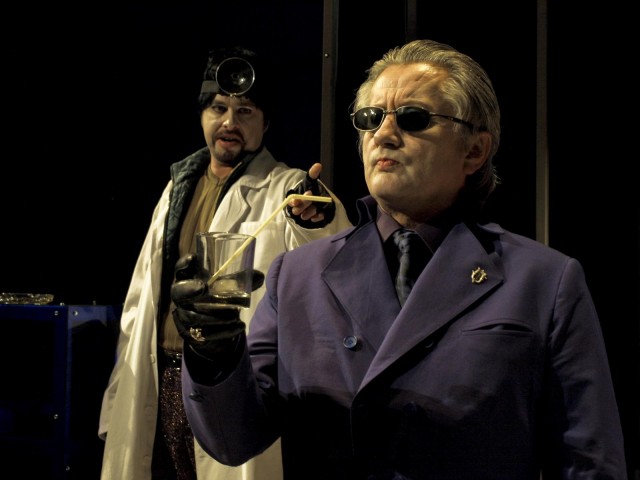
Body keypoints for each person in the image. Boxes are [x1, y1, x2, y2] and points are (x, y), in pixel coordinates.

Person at [170, 38, 628, 479]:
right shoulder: (296, 275)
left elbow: (589, 464)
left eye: (413, 118)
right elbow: (233, 441)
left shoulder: (544, 282)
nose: (384, 134)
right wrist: (213, 352)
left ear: (474, 150)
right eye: (370, 118)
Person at [97, 45, 352, 480]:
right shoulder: (177, 188)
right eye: (219, 108)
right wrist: (115, 400)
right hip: (159, 380)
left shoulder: (286, 187)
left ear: (265, 123)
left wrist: (315, 216)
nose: (230, 122)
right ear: (202, 115)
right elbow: (138, 304)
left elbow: (329, 248)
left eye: (245, 111)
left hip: (226, 385)